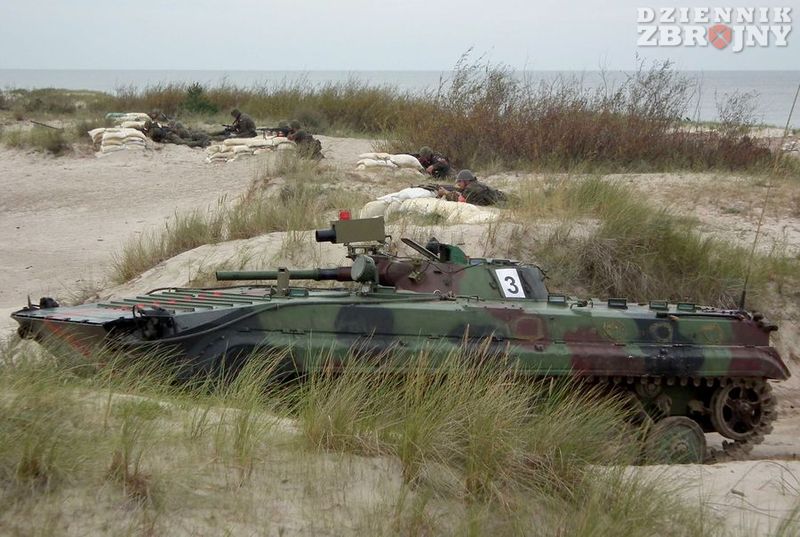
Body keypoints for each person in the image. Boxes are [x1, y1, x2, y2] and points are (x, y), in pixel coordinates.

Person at [437, 169, 506, 206]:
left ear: (466, 181)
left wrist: (445, 193)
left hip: (503, 201)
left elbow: (460, 200)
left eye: (460, 181)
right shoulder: (475, 184)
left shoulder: (471, 188)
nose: (458, 184)